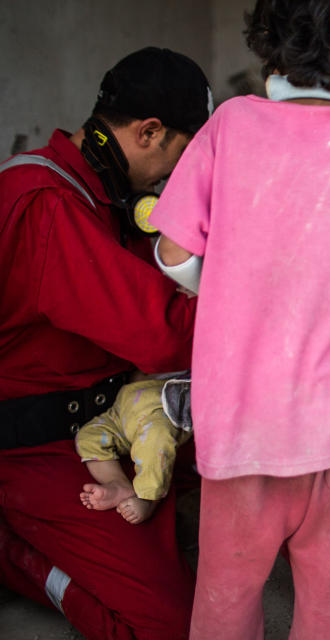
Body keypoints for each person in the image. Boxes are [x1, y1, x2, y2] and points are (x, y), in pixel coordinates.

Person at [148, 1, 330, 637]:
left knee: (225, 601)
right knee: (328, 605)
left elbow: (173, 251)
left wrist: (226, 288)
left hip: (245, 432)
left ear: (274, 41)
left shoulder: (232, 124)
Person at [0, 48, 210, 639]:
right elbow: (163, 333)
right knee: (169, 626)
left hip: (109, 409)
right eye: (181, 158)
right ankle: (18, 556)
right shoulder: (49, 202)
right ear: (149, 132)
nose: (179, 179)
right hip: (41, 444)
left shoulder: (99, 191)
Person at [76, 378, 191, 524]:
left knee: (156, 443)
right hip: (127, 403)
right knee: (88, 437)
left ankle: (147, 499)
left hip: (164, 411)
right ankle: (117, 482)